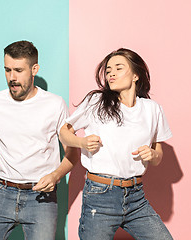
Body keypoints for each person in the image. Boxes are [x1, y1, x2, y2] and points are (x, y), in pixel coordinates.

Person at [59, 48, 174, 240]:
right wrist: (82, 142)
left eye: (118, 68)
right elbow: (63, 133)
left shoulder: (152, 109)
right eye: (109, 69)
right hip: (100, 194)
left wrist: (153, 155)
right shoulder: (96, 101)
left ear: (136, 75)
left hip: (136, 196)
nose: (111, 73)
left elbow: (158, 155)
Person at [0, 40, 78, 240]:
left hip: (41, 196)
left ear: (34, 69)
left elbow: (72, 152)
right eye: (7, 70)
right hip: (3, 191)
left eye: (18, 70)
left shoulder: (54, 104)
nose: (12, 77)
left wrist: (55, 176)